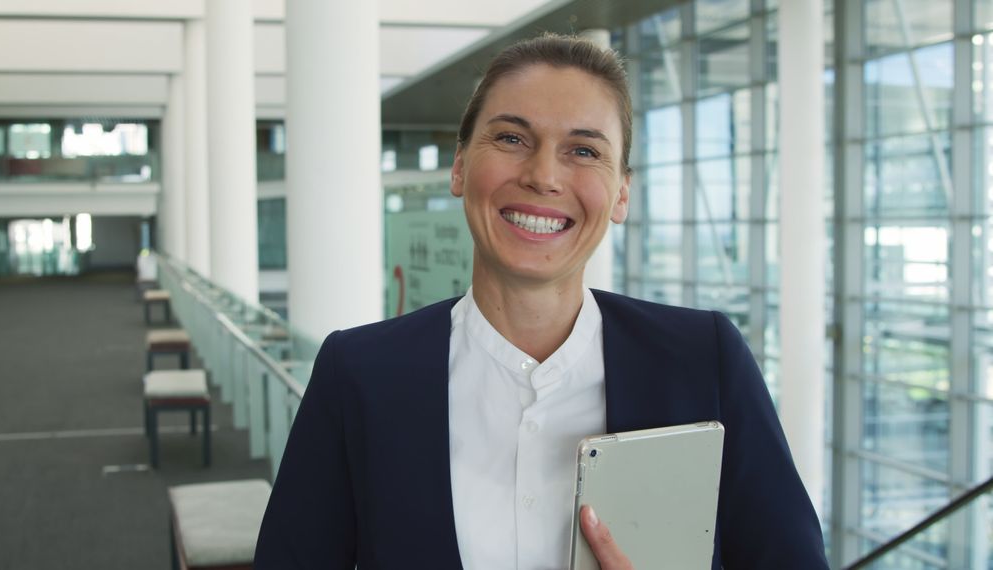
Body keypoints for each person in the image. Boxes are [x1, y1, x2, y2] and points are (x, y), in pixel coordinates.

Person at [253, 34, 828, 570]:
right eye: (511, 138)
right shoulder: (358, 374)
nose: (543, 175)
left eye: (583, 150)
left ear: (622, 192)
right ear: (459, 165)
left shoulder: (705, 361)